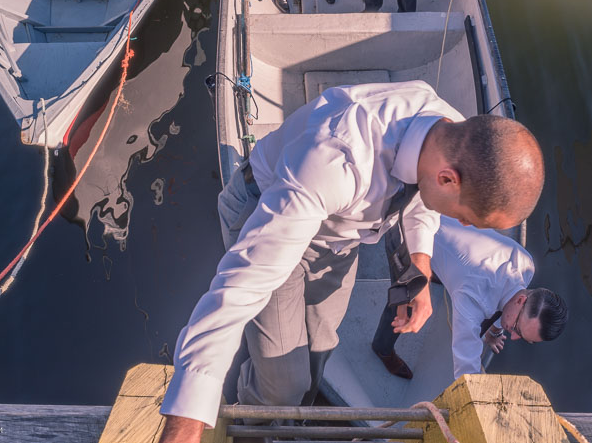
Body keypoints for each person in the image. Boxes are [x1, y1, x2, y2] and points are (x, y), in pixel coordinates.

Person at [158, 81, 545, 443]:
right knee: (283, 383)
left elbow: (421, 201)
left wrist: (422, 270)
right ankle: (255, 421)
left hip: (342, 238)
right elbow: (241, 286)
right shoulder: (335, 159)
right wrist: (186, 418)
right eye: (468, 218)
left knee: (323, 345)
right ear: (449, 179)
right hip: (268, 210)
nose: (461, 225)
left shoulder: (447, 134)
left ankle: (288, 407)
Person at [372, 216, 568, 380]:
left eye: (523, 338)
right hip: (406, 233)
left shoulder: (526, 264)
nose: (513, 337)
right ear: (521, 300)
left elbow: (505, 308)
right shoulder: (471, 300)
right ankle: (382, 349)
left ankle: (439, 272)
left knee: (449, 270)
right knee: (403, 304)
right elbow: (466, 370)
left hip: (441, 218)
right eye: (517, 329)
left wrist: (494, 332)